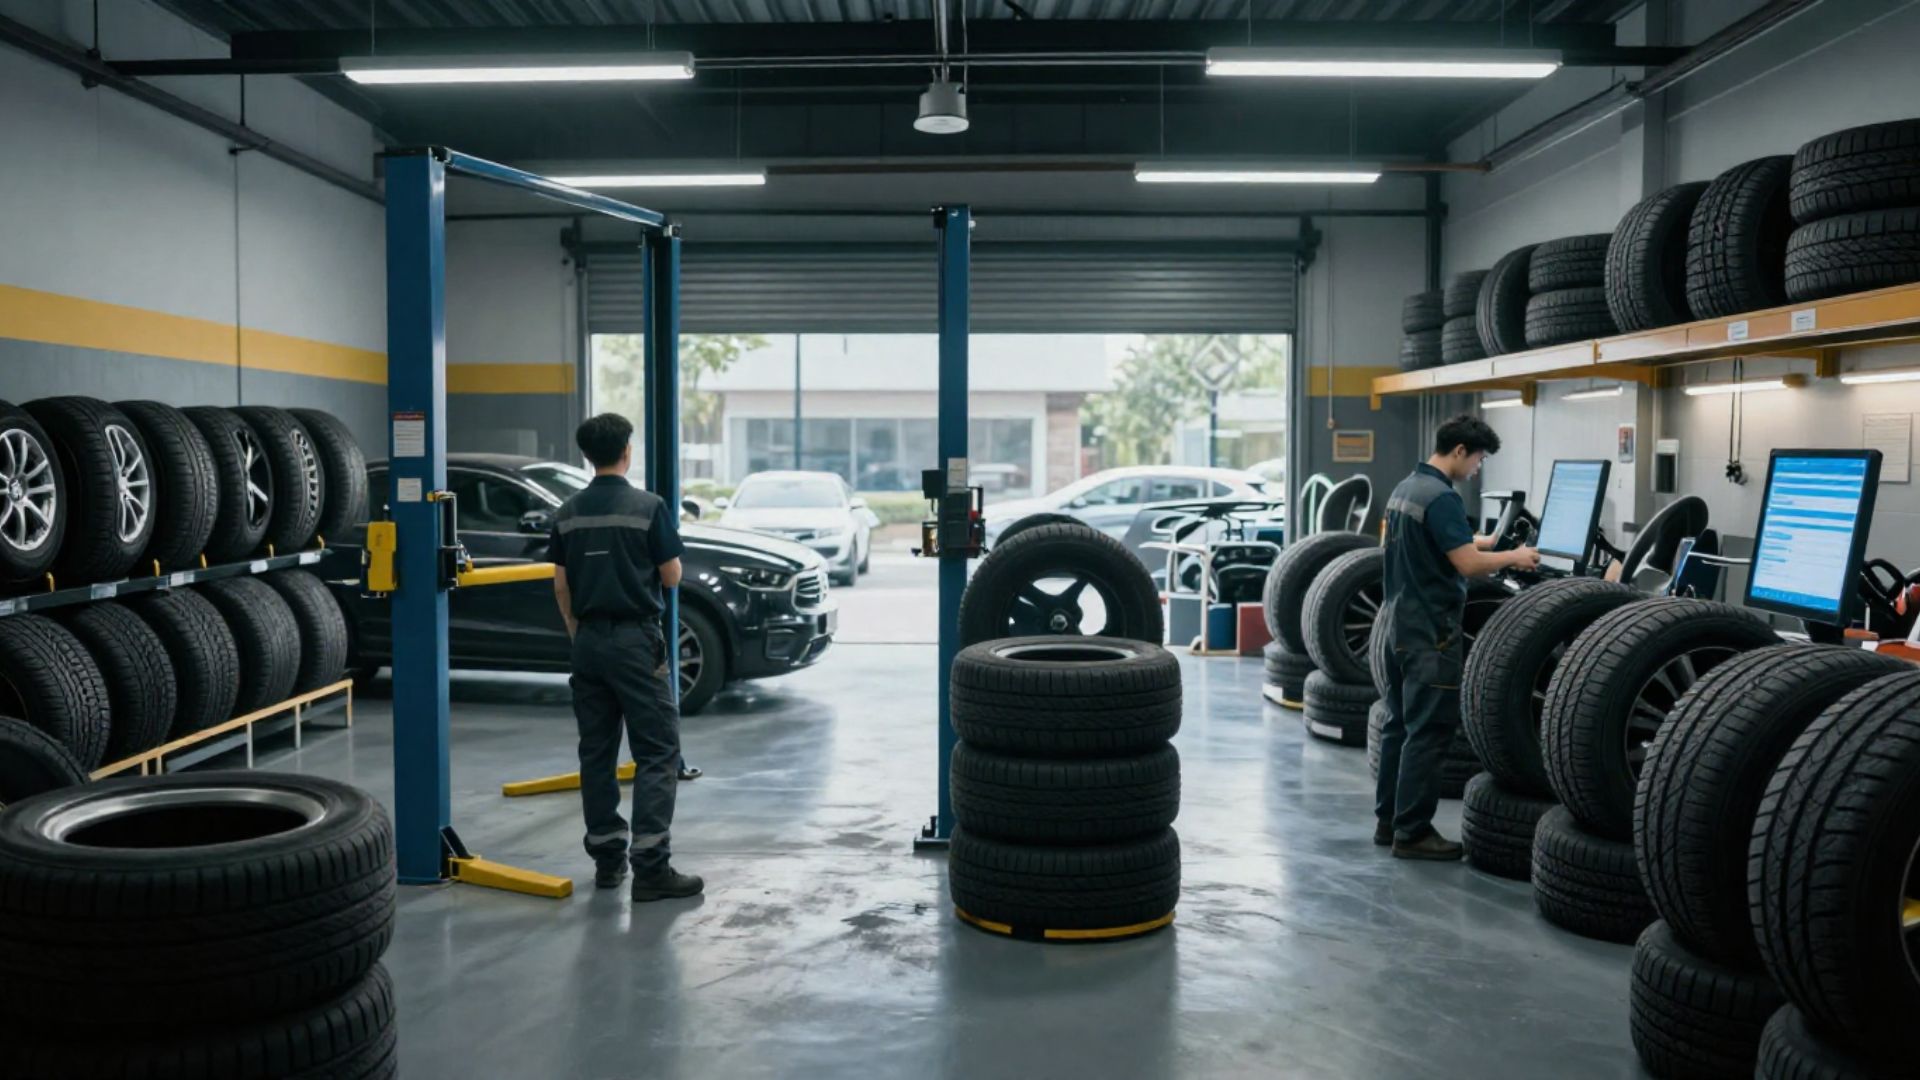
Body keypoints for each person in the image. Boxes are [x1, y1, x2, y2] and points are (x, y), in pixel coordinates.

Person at [550, 413, 704, 900]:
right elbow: (673, 575)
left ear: (586, 455)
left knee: (596, 751)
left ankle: (608, 861)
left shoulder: (569, 511)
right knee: (657, 750)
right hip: (636, 642)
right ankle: (652, 869)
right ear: (627, 451)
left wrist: (579, 633)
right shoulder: (648, 506)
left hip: (589, 643)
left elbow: (560, 584)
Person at [1376, 414, 1539, 860]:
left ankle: (1389, 820)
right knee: (1428, 731)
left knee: (1397, 725)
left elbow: (1446, 543)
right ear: (1460, 451)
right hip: (1432, 633)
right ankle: (1413, 833)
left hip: (1397, 625)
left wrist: (1489, 542)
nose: (1478, 469)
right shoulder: (1443, 497)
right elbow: (1466, 565)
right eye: (1479, 459)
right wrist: (1516, 556)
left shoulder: (1407, 488)